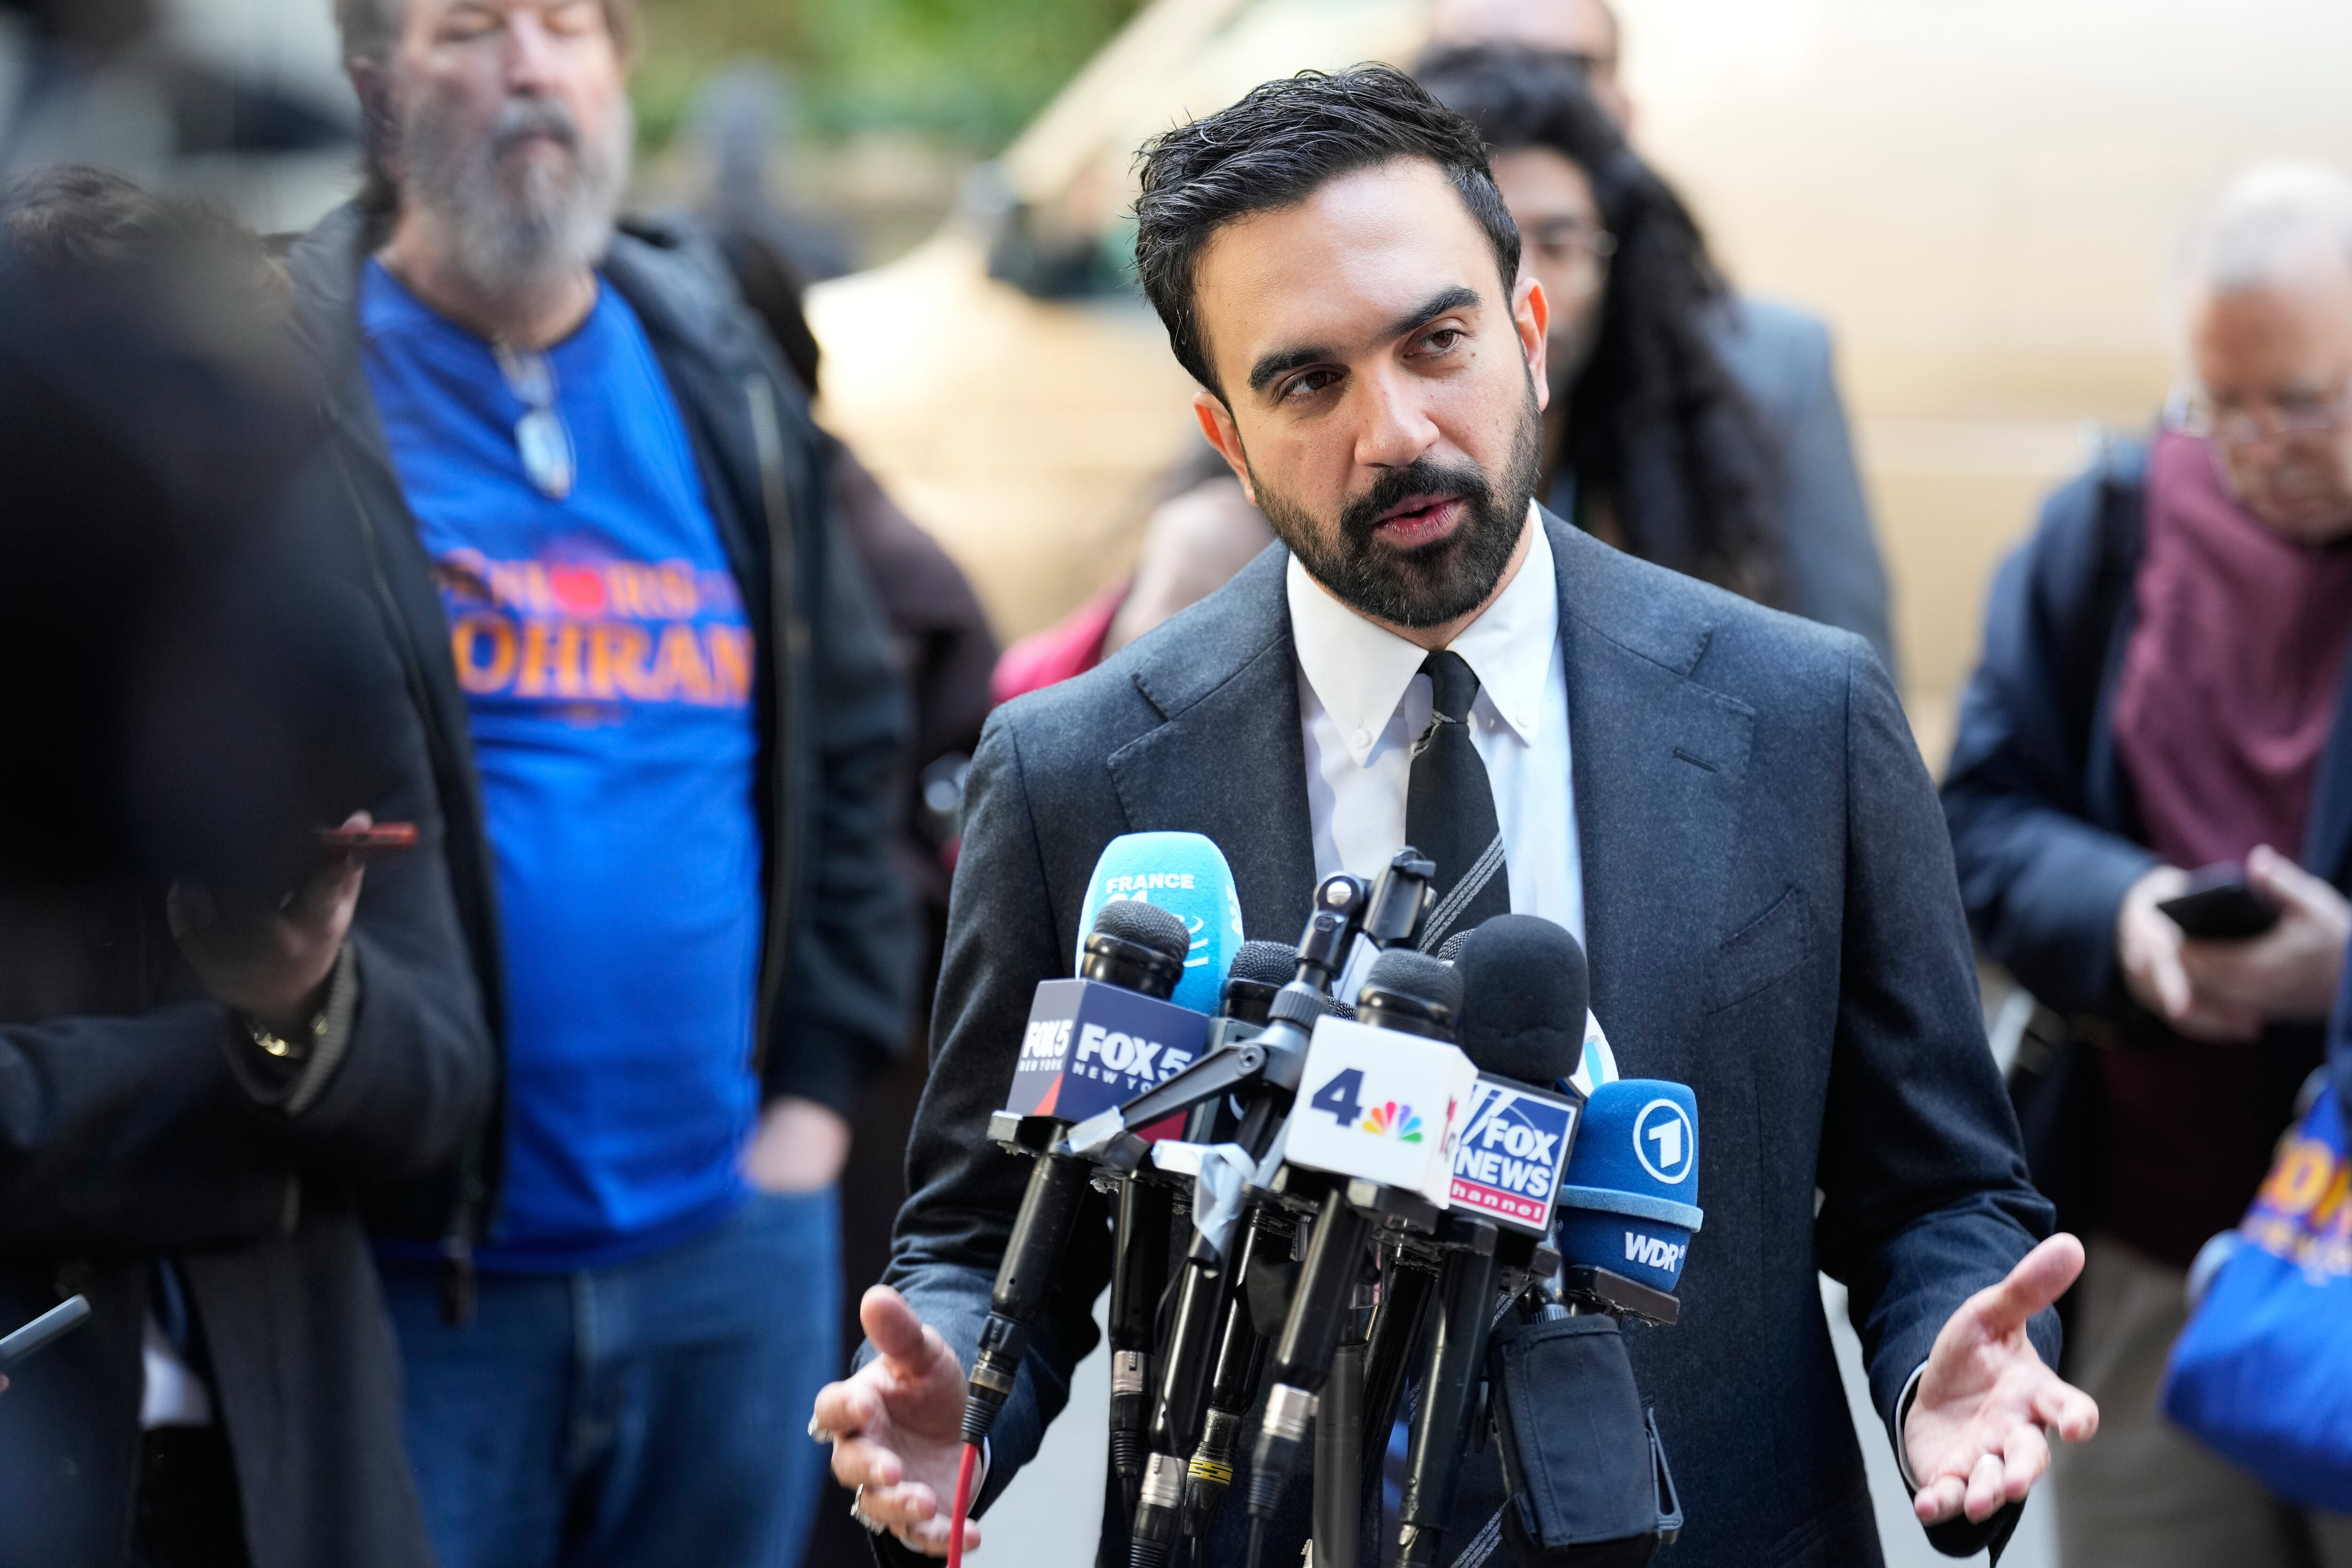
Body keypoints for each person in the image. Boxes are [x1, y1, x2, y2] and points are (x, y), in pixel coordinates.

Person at [814, 66, 2094, 1565]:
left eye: (1438, 342)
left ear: (1531, 338)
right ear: (1225, 434)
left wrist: (1948, 1348)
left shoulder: (1800, 716)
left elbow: (1937, 1183)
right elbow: (988, 1233)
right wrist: (958, 1389)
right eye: (1308, 381)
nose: (1398, 428)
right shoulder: (1076, 772)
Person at [283, 0, 915, 1558]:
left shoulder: (714, 354)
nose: (529, 63)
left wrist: (815, 1110)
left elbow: (850, 741)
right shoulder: (279, 380)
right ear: (376, 89)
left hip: (728, 1247)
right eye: (470, 27)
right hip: (412, 1274)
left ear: (620, 65)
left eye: (569, 21)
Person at [0, 167, 494, 1568]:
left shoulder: (312, 658)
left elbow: (443, 1081)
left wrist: (299, 1005)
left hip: (286, 1481)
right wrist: (259, 1124)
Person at [1943, 162, 2352, 1568]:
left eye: (2301, 402)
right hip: (2149, 1240)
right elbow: (1980, 814)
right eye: (2215, 403)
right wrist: (2123, 909)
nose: (2253, 446)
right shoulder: (2113, 527)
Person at [1429, 0, 1897, 675]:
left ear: (1620, 103)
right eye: (1475, 59)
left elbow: (1852, 691)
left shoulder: (1768, 366)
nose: (1526, 87)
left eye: (1567, 66)